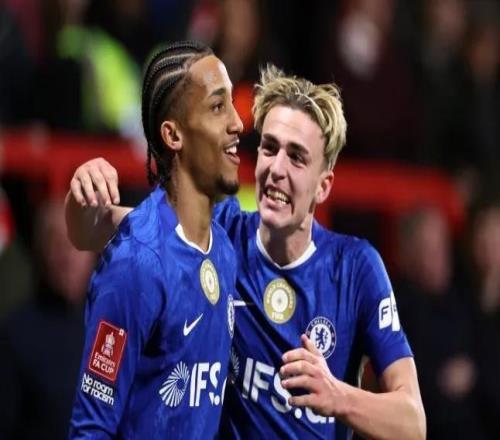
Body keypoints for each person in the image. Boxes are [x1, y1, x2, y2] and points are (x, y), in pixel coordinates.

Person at [66, 65, 426, 439]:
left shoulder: (355, 268)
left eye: (297, 157)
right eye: (270, 148)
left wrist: (338, 396)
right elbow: (93, 229)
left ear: (323, 186)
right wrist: (84, 188)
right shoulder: (220, 234)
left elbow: (413, 423)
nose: (277, 168)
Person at [67, 40, 243, 438]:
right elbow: (90, 429)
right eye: (218, 107)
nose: (237, 122)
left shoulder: (223, 248)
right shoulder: (136, 264)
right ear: (173, 135)